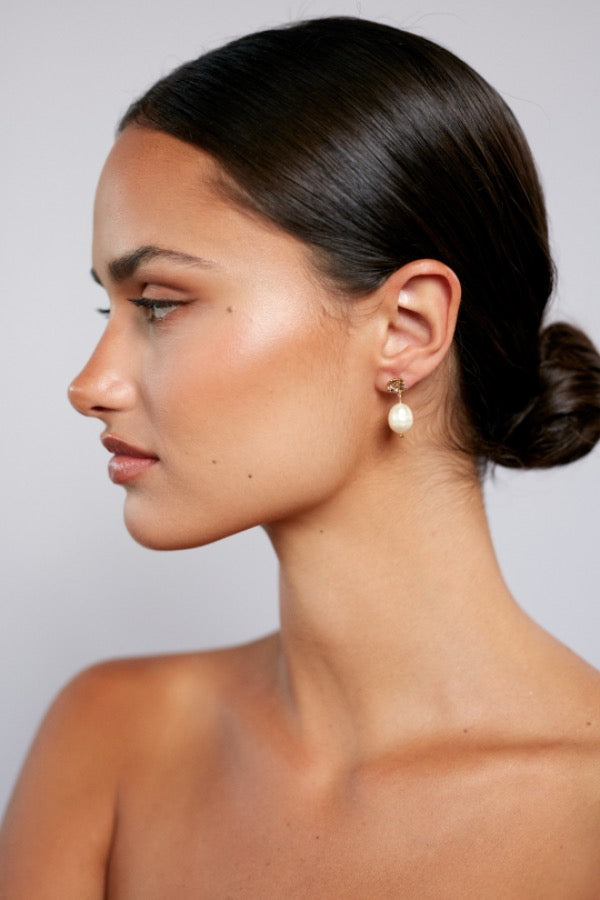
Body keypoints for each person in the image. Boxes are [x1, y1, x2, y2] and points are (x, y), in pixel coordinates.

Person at [1, 15, 599, 896]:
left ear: (406, 329)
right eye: (110, 309)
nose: (90, 384)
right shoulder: (107, 743)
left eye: (159, 303)